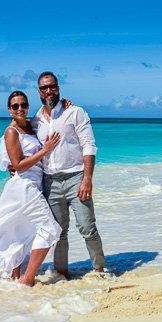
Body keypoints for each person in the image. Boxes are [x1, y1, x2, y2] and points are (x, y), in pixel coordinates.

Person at [0, 91, 63, 287]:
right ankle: (28, 279)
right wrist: (45, 150)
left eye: (24, 105)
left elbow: (49, 107)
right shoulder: (11, 132)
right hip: (24, 186)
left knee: (21, 231)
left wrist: (64, 102)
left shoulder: (29, 125)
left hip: (33, 184)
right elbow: (18, 165)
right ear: (9, 110)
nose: (20, 109)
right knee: (50, 229)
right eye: (16, 106)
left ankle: (15, 277)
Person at [32, 71, 106, 277]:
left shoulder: (75, 112)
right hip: (50, 182)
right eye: (44, 88)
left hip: (76, 178)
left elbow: (89, 146)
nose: (49, 91)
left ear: (58, 88)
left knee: (87, 227)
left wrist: (87, 179)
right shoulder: (35, 121)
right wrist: (13, 165)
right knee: (59, 233)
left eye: (52, 86)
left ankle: (100, 269)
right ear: (38, 91)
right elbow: (26, 146)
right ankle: (61, 275)